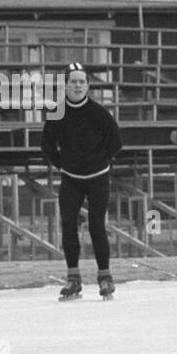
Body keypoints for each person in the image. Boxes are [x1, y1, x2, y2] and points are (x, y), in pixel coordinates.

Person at [40, 62, 122, 300]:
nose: (77, 85)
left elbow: (115, 143)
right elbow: (46, 144)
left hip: (97, 178)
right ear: (65, 85)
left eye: (81, 81)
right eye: (73, 81)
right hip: (71, 179)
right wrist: (62, 164)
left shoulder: (99, 113)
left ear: (88, 85)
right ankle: (73, 278)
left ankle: (105, 278)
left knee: (97, 225)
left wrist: (101, 162)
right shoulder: (57, 112)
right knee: (68, 225)